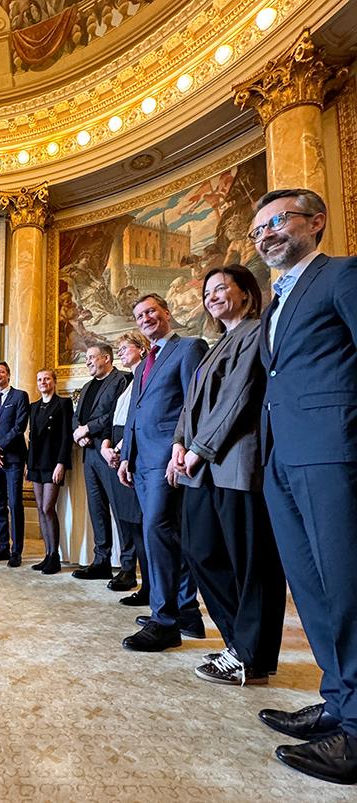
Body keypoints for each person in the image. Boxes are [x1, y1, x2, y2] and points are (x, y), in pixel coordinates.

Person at [249, 189, 357, 784]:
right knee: (313, 590)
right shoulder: (276, 303)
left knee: (346, 585)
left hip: (331, 451)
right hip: (282, 461)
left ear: (315, 223)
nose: (267, 233)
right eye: (259, 227)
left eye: (278, 221)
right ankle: (341, 703)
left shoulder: (342, 276)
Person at [169, 265, 286, 686]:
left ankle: (252, 656)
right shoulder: (217, 343)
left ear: (245, 293)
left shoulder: (257, 331)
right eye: (208, 292)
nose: (213, 296)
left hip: (237, 463)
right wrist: (179, 444)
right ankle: (241, 643)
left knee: (250, 563)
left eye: (222, 288)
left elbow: (239, 396)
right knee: (200, 551)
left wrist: (198, 449)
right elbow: (191, 403)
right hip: (202, 466)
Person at [117, 294, 208, 652]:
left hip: (168, 457)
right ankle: (186, 613)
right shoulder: (142, 366)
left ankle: (165, 621)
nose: (145, 318)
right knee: (165, 535)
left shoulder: (188, 348)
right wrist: (126, 456)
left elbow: (195, 402)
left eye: (151, 311)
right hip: (140, 462)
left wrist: (182, 447)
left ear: (167, 313)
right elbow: (136, 414)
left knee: (157, 532)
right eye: (140, 315)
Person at [99, 332, 151, 603]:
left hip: (130, 453)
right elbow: (116, 420)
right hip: (117, 450)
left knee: (139, 524)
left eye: (124, 348)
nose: (119, 353)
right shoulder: (129, 381)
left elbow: (140, 420)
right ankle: (134, 576)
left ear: (141, 349)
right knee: (127, 522)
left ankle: (149, 587)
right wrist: (107, 444)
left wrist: (119, 449)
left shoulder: (146, 376)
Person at [71, 342, 129, 581]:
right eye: (86, 359)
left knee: (120, 509)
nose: (88, 362)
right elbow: (77, 417)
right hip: (89, 453)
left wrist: (87, 429)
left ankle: (127, 566)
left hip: (109, 452)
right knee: (97, 509)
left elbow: (117, 414)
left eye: (92, 358)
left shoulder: (122, 380)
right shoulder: (86, 387)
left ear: (106, 358)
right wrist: (78, 433)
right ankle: (101, 561)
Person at [0, 360, 30, 568]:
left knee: (15, 503)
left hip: (13, 459)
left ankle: (16, 550)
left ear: (8, 375)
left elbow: (19, 426)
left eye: (1, 371)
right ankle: (2, 546)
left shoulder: (20, 396)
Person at [26, 368, 73, 575]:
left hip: (53, 463)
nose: (43, 382)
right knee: (39, 508)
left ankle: (55, 557)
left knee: (47, 508)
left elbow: (66, 436)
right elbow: (33, 438)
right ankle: (46, 554)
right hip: (36, 462)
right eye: (39, 379)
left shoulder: (63, 404)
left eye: (46, 378)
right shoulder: (33, 406)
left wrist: (61, 463)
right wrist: (28, 463)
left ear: (54, 382)